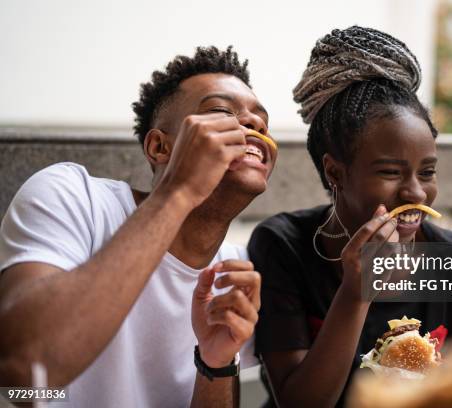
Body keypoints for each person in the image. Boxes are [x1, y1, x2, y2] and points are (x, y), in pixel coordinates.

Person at [0, 46, 277, 407]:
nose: (254, 125)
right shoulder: (72, 197)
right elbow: (25, 374)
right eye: (222, 111)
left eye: (261, 121)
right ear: (160, 147)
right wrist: (179, 192)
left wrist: (216, 364)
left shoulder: (235, 275)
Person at [247, 26, 452, 407]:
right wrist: (357, 291)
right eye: (391, 173)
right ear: (336, 173)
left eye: (427, 172)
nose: (415, 193)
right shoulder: (282, 245)